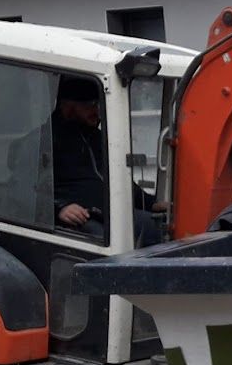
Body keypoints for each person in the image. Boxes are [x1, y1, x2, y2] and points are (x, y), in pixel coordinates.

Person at [51, 75, 166, 246]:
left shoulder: (98, 139)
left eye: (98, 105)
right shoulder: (44, 140)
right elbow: (26, 191)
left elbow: (115, 179)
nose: (97, 112)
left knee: (159, 225)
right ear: (67, 106)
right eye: (90, 106)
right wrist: (59, 209)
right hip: (81, 217)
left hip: (108, 213)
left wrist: (152, 203)